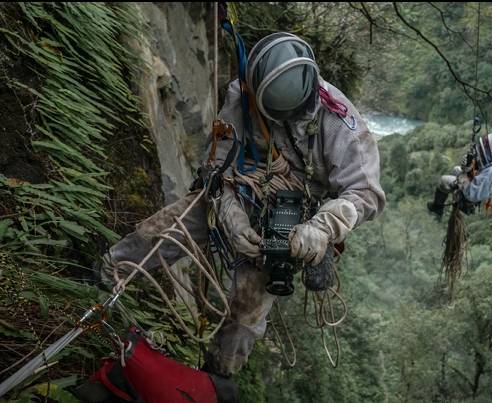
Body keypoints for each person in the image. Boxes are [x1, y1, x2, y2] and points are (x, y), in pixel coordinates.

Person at [100, 32, 385, 378]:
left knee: (248, 311)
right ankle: (105, 276)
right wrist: (228, 211)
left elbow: (366, 193)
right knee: (172, 228)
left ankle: (217, 378)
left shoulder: (340, 124)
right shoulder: (243, 94)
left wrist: (321, 229)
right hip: (239, 192)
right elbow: (216, 165)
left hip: (298, 218)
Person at [427, 132, 492, 217]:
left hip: (473, 194)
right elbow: (483, 165)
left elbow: (472, 194)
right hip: (478, 185)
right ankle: (452, 190)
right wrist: (470, 164)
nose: (481, 151)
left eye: (484, 149)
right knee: (456, 169)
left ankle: (437, 208)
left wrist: (465, 173)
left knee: (443, 181)